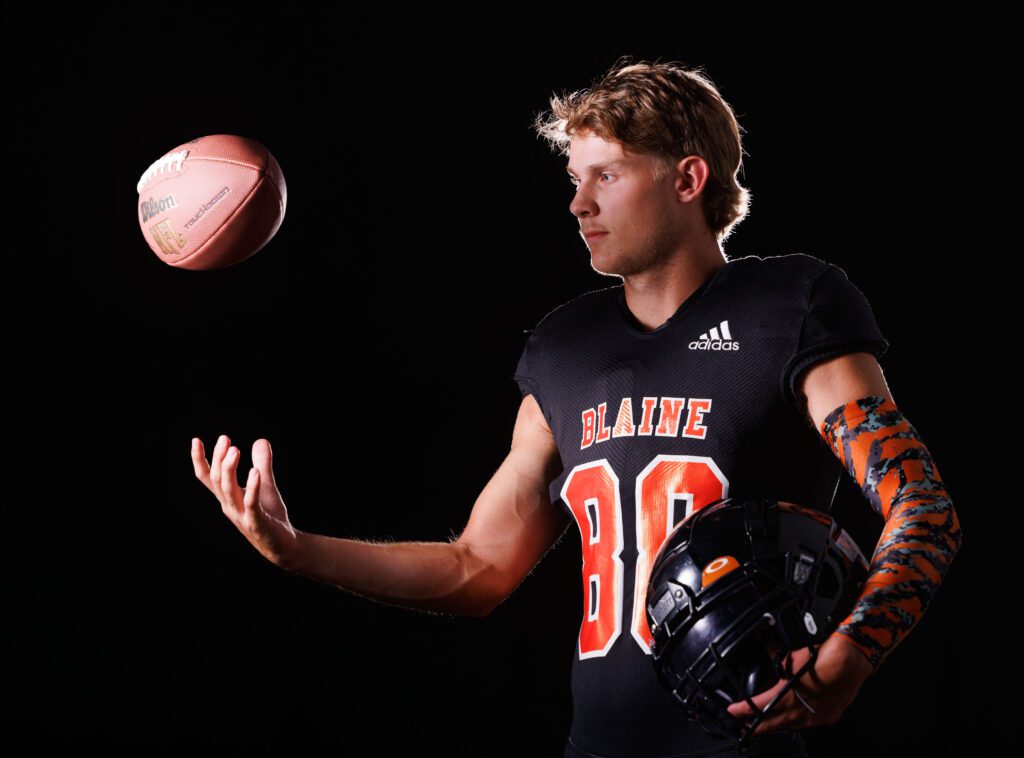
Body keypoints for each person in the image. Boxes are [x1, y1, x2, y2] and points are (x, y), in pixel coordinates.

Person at [191, 57, 962, 758]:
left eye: (606, 176)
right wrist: (296, 549)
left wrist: (854, 650)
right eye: (574, 177)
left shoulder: (790, 306)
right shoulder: (565, 347)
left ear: (688, 180)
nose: (576, 203)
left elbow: (923, 507)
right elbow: (479, 567)